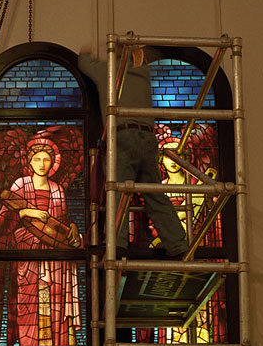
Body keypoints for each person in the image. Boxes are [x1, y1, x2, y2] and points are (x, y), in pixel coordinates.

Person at [0, 131, 82, 346]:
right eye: (37, 158)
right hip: (30, 269)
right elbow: (1, 222)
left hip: (56, 269)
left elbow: (62, 224)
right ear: (29, 160)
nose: (42, 163)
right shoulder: (19, 186)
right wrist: (25, 211)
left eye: (47, 159)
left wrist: (72, 231)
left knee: (55, 331)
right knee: (33, 334)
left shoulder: (57, 190)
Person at [78, 45, 187, 258]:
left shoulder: (108, 71)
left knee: (117, 191)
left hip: (122, 136)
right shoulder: (143, 72)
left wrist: (86, 52)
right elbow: (154, 53)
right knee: (155, 194)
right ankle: (178, 244)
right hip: (147, 138)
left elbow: (84, 64)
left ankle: (116, 244)